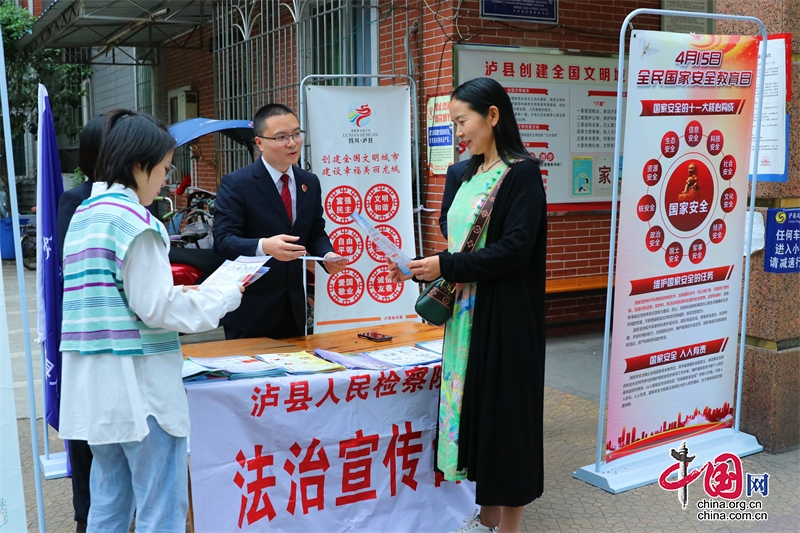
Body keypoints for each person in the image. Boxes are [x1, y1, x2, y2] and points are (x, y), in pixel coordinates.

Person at [58, 109, 243, 533]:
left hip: (95, 387)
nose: (165, 179)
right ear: (138, 165)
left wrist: (184, 296)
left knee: (109, 500)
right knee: (160, 508)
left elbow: (117, 297)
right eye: (164, 168)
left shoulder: (86, 215)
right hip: (140, 392)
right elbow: (156, 308)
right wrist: (224, 296)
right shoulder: (137, 223)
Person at [388, 77, 547, 533]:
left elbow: (516, 249)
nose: (458, 132)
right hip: (463, 315)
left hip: (506, 316)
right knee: (470, 408)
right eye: (454, 122)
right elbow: (453, 238)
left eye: (463, 121)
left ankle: (509, 526)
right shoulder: (461, 174)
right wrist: (423, 266)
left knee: (507, 417)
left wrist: (446, 264)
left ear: (493, 116)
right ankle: (486, 517)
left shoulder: (522, 174)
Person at [213, 103, 347, 339]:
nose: (292, 143)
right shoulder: (237, 184)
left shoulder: (309, 182)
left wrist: (328, 255)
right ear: (260, 143)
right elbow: (223, 240)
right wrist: (264, 246)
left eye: (296, 134)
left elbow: (315, 231)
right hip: (249, 308)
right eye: (281, 137)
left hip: (294, 306)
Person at [56, 113, 105, 533]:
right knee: (88, 435)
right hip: (91, 337)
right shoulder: (78, 200)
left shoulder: (140, 200)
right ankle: (86, 516)